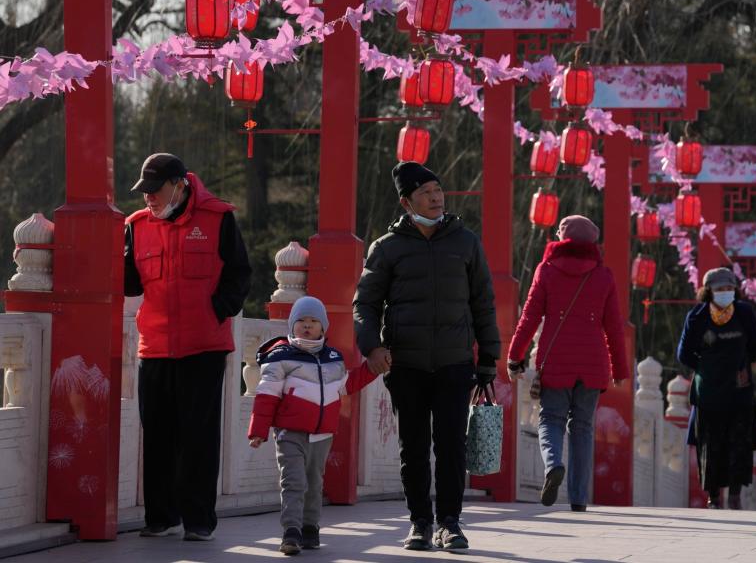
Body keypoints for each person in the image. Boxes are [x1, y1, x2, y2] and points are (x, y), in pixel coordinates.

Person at [352, 162, 500, 551]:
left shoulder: (465, 242)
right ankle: (419, 522)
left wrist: (488, 358)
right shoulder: (386, 249)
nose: (435, 198)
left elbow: (483, 303)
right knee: (412, 447)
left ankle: (450, 522)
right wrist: (371, 347)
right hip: (406, 365)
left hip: (454, 363)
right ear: (406, 202)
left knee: (451, 444)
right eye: (425, 194)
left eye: (438, 190)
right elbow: (365, 304)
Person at [125, 153, 252, 540]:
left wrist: (218, 310)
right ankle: (160, 517)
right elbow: (130, 284)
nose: (149, 198)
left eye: (156, 190)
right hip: (155, 346)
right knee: (158, 434)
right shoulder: (135, 225)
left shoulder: (218, 218)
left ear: (180, 185)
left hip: (204, 346)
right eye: (144, 192)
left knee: (198, 436)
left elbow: (240, 273)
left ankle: (198, 521)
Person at [505, 215, 629, 513]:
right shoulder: (604, 276)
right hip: (593, 364)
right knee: (583, 427)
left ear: (562, 239)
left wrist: (514, 355)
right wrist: (621, 370)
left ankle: (553, 465)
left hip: (556, 358)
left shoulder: (546, 270)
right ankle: (578, 498)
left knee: (550, 419)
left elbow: (529, 317)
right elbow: (614, 326)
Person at [248, 296, 386, 555]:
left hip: (322, 435)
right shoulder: (280, 357)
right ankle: (291, 531)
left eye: (313, 322)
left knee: (314, 482)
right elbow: (266, 397)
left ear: (324, 327)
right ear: (292, 326)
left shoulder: (333, 358)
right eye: (301, 321)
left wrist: (372, 369)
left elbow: (347, 385)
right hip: (290, 433)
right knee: (294, 481)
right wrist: (258, 431)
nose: (307, 326)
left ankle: (310, 527)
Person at [678, 268, 756, 510]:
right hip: (708, 392)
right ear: (708, 291)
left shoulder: (744, 313)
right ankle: (713, 497)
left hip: (739, 390)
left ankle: (735, 495)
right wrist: (707, 368)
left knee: (739, 443)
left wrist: (739, 362)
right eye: (719, 289)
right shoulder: (697, 316)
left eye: (729, 288)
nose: (725, 293)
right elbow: (684, 354)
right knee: (710, 444)